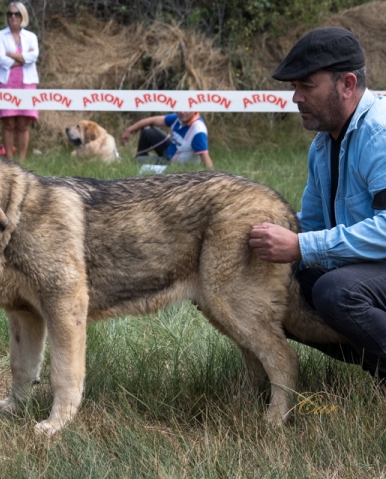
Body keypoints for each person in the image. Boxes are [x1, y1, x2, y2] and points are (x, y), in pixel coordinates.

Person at [248, 27, 386, 382]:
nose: (296, 97)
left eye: (307, 86)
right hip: (370, 272)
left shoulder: (380, 135)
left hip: (370, 274)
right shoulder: (324, 144)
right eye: (294, 87)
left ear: (347, 84)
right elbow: (310, 222)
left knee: (335, 291)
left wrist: (299, 246)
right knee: (276, 285)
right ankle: (377, 364)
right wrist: (240, 234)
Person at [0, 2, 39, 164]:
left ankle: (22, 160)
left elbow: (34, 57)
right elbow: (1, 60)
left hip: (27, 83)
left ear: (22, 16)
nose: (13, 17)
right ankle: (10, 161)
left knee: (23, 123)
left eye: (16, 14)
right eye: (10, 14)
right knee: (9, 122)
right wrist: (23, 58)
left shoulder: (31, 36)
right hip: (6, 82)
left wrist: (12, 54)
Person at [120, 111, 214, 169]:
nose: (182, 112)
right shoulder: (178, 118)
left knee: (137, 161)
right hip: (171, 150)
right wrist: (129, 130)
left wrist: (214, 181)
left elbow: (205, 157)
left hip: (174, 163)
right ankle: (142, 159)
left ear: (195, 110)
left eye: (187, 109)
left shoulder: (197, 131)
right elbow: (151, 120)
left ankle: (139, 162)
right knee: (147, 130)